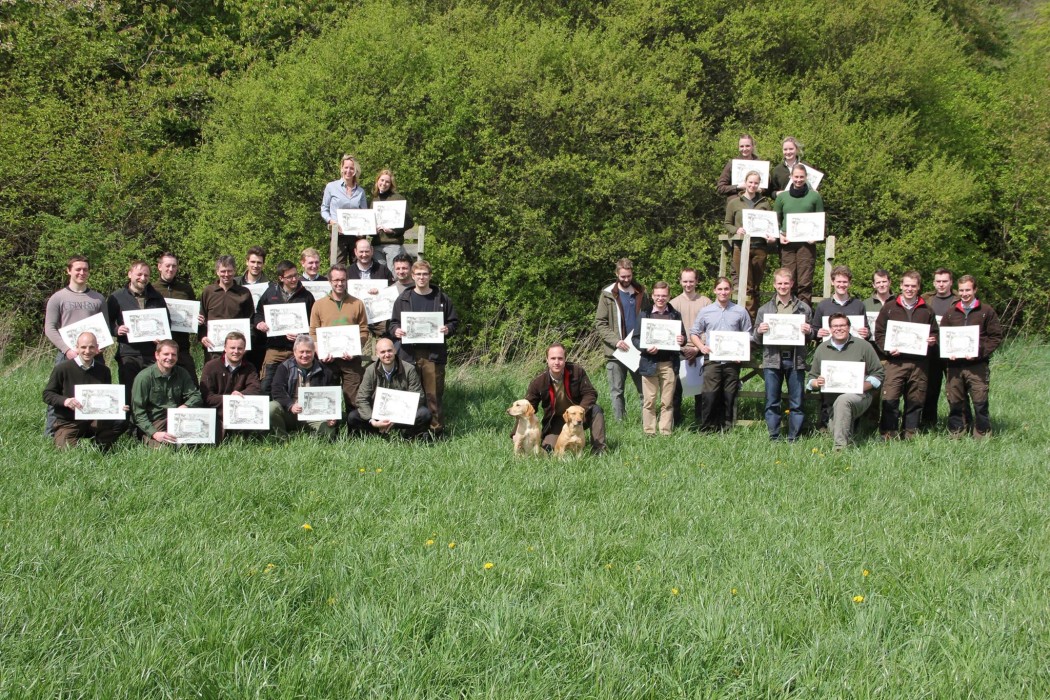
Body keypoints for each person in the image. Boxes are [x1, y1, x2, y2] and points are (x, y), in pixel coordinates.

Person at [388, 260, 459, 435]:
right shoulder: (404, 298)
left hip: (433, 354)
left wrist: (447, 328)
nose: (421, 277)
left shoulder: (441, 298)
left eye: (425, 274)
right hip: (409, 354)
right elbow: (393, 323)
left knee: (433, 395)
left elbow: (454, 322)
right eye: (418, 274)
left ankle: (435, 431)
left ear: (430, 276)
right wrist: (396, 330)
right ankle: (408, 431)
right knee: (408, 394)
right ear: (412, 276)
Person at [43, 255, 107, 435]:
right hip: (67, 355)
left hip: (95, 356)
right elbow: (50, 328)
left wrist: (101, 346)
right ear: (69, 271)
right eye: (77, 269)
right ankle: (51, 435)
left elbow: (106, 328)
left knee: (97, 397)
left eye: (85, 269)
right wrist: (67, 350)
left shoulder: (98, 299)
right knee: (59, 395)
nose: (82, 273)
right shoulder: (58, 298)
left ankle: (96, 435)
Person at [874, 270, 938, 440]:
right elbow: (879, 333)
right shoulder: (889, 308)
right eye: (906, 285)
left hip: (919, 363)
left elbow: (935, 333)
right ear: (901, 286)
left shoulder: (927, 310)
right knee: (891, 398)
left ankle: (910, 433)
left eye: (913, 286)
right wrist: (887, 350)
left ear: (918, 288)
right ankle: (888, 433)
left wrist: (933, 340)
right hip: (895, 362)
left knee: (915, 400)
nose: (909, 289)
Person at [806, 314, 885, 451]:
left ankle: (839, 449)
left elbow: (879, 373)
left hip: (859, 396)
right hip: (831, 401)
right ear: (830, 329)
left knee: (843, 400)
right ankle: (848, 435)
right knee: (836, 428)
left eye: (842, 325)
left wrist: (863, 386)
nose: (839, 329)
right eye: (835, 326)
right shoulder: (822, 349)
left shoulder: (863, 346)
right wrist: (816, 383)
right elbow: (810, 379)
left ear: (849, 327)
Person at [753, 268, 813, 441]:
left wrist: (809, 331)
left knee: (797, 402)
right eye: (779, 283)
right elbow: (756, 338)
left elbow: (812, 335)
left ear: (792, 284)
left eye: (786, 283)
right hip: (772, 359)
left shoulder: (804, 309)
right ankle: (774, 436)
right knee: (772, 401)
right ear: (774, 285)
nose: (783, 286)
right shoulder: (764, 309)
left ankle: (794, 437)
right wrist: (760, 330)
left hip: (796, 360)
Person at [940, 275, 1003, 439]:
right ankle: (957, 432)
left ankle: (982, 433)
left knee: (980, 400)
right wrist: (947, 352)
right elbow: (943, 337)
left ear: (975, 290)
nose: (964, 293)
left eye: (968, 290)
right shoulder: (950, 313)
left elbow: (995, 336)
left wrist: (979, 353)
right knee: (955, 400)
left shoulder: (986, 311)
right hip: (954, 364)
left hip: (977, 365)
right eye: (961, 290)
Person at [42, 332, 127, 450]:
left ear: (97, 348)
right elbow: (47, 394)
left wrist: (117, 408)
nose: (87, 351)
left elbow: (106, 397)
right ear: (76, 347)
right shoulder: (62, 368)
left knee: (120, 421)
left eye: (91, 347)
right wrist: (65, 401)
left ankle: (99, 446)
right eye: (83, 347)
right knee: (68, 455)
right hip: (69, 422)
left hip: (94, 420)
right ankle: (64, 437)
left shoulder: (104, 371)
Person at [690, 277, 753, 432]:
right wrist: (701, 347)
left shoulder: (740, 311)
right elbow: (694, 333)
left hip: (732, 361)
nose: (723, 292)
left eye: (726, 289)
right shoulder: (706, 311)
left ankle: (726, 428)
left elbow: (748, 335)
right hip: (713, 360)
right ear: (714, 291)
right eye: (720, 289)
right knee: (710, 395)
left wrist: (743, 353)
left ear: (731, 291)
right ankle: (707, 428)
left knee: (729, 395)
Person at [107, 260, 170, 404]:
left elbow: (166, 322)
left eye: (146, 275)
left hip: (151, 353)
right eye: (139, 274)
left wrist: (162, 337)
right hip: (128, 353)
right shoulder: (116, 297)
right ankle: (129, 425)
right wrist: (117, 329)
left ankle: (150, 425)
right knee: (129, 392)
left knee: (152, 392)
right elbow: (107, 323)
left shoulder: (157, 297)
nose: (143, 278)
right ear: (130, 274)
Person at [525, 342, 607, 454]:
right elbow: (528, 407)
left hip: (580, 416)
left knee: (596, 409)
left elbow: (590, 393)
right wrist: (515, 433)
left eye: (560, 358)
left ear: (565, 359)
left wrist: (580, 411)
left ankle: (599, 450)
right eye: (553, 358)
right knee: (549, 450)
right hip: (556, 420)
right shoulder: (539, 381)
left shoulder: (577, 371)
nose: (557, 362)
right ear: (547, 359)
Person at [595, 258, 648, 421]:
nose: (626, 280)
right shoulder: (607, 294)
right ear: (616, 274)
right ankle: (621, 424)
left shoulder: (641, 292)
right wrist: (616, 341)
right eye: (623, 276)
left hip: (638, 350)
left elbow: (648, 318)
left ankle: (647, 422)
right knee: (617, 391)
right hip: (616, 351)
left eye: (629, 276)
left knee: (644, 390)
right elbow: (600, 322)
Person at [309, 264, 369, 409]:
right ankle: (332, 429)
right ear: (330, 281)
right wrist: (320, 352)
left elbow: (364, 330)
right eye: (336, 280)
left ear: (347, 280)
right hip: (327, 360)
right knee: (328, 397)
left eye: (342, 280)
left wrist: (355, 349)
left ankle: (354, 429)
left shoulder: (357, 303)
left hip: (351, 360)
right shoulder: (319, 304)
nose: (339, 283)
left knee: (354, 399)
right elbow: (313, 332)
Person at [347, 338, 431, 438]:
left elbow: (419, 396)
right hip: (377, 415)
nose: (387, 355)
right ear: (377, 354)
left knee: (424, 414)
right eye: (382, 352)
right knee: (353, 417)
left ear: (395, 350)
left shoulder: (409, 369)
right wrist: (373, 421)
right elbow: (361, 399)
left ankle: (407, 435)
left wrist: (395, 419)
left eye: (389, 350)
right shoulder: (370, 370)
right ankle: (377, 433)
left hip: (402, 415)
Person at [253, 260, 316, 394]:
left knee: (299, 387)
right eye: (290, 277)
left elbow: (313, 323)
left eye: (296, 275)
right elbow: (258, 313)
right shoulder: (270, 293)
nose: (294, 279)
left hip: (299, 349)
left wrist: (301, 335)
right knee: (266, 386)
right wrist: (260, 323)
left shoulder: (307, 296)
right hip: (275, 348)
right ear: (281, 278)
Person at [632, 282, 685, 436]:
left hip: (669, 363)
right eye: (657, 296)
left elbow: (683, 337)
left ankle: (665, 431)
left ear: (669, 296)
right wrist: (645, 347)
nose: (660, 298)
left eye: (664, 296)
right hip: (649, 362)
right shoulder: (644, 314)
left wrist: (682, 339)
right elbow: (635, 339)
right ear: (653, 296)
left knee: (667, 401)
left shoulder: (675, 314)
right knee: (649, 401)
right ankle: (649, 431)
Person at [131, 339, 204, 447]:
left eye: (173, 354)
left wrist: (186, 406)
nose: (170, 358)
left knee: (196, 445)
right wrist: (154, 433)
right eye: (166, 354)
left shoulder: (182, 373)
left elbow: (196, 396)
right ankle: (146, 439)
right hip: (154, 423)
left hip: (177, 420)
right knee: (165, 450)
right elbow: (138, 412)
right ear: (157, 355)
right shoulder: (144, 378)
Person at [724, 169, 776, 318]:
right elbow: (727, 223)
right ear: (745, 183)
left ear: (759, 185)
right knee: (745, 285)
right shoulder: (734, 203)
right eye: (750, 182)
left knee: (755, 286)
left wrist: (771, 237)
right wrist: (736, 229)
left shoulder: (765, 203)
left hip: (760, 248)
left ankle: (755, 319)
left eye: (756, 183)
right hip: (741, 248)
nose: (752, 185)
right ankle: (747, 318)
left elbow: (770, 225)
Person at [268, 334, 340, 440]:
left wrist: (332, 416)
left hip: (314, 415)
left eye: (308, 351)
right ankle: (282, 438)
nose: (305, 355)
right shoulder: (284, 367)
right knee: (271, 408)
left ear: (314, 352)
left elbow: (332, 398)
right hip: (290, 412)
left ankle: (308, 438)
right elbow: (277, 390)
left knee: (329, 434)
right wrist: (290, 405)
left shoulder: (325, 371)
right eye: (301, 352)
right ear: (294, 352)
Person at [773, 163, 824, 305]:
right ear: (791, 177)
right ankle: (787, 309)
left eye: (802, 177)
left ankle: (804, 315)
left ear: (806, 177)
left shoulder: (814, 196)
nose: (799, 180)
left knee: (805, 282)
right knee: (787, 281)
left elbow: (821, 220)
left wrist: (816, 237)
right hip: (787, 244)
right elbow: (774, 220)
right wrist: (780, 235)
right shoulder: (782, 197)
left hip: (806, 245)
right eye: (796, 177)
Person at [199, 331, 262, 440]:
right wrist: (230, 399)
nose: (236, 351)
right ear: (225, 348)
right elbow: (207, 397)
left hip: (241, 411)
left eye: (240, 348)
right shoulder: (210, 366)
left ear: (245, 349)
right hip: (217, 412)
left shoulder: (250, 367)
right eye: (232, 348)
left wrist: (240, 394)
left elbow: (256, 388)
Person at [921, 268, 960, 431]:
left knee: (955, 389)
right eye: (938, 281)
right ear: (934, 283)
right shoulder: (925, 299)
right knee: (929, 390)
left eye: (944, 281)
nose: (941, 284)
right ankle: (928, 425)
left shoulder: (959, 300)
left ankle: (958, 425)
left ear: (951, 282)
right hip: (931, 352)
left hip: (953, 353)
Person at [669, 268, 710, 424]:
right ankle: (677, 422)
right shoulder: (673, 303)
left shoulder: (706, 302)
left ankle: (701, 422)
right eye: (685, 281)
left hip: (700, 350)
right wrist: (684, 348)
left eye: (691, 281)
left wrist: (697, 348)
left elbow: (709, 329)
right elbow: (670, 331)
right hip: (679, 352)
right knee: (676, 390)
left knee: (701, 392)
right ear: (680, 281)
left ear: (697, 281)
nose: (688, 284)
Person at [154, 252, 198, 382]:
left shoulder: (186, 289)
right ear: (159, 266)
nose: (171, 269)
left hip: (182, 346)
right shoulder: (151, 289)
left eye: (174, 266)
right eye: (167, 266)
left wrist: (198, 318)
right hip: (160, 347)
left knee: (191, 382)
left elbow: (194, 313)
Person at [199, 255, 256, 352]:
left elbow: (251, 321)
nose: (226, 274)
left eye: (229, 271)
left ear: (234, 271)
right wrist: (202, 337)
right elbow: (201, 319)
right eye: (223, 271)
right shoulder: (208, 291)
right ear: (217, 272)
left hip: (237, 350)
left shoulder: (244, 293)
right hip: (213, 348)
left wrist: (247, 344)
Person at [321, 153, 367, 265]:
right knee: (337, 266)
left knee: (358, 266)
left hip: (356, 235)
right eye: (346, 167)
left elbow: (365, 213)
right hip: (339, 234)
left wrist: (363, 230)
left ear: (355, 170)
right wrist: (331, 221)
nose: (348, 171)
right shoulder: (331, 187)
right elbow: (324, 209)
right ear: (341, 169)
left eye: (352, 168)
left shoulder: (361, 191)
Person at [812, 265, 870, 341]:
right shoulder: (823, 305)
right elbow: (814, 331)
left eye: (845, 282)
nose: (842, 285)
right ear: (832, 282)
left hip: (853, 349)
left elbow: (867, 331)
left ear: (849, 283)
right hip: (829, 350)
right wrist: (818, 333)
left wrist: (866, 333)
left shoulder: (859, 305)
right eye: (839, 282)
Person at [233, 248, 269, 369]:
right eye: (253, 262)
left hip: (260, 337)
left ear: (263, 264)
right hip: (238, 331)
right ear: (246, 262)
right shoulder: (234, 283)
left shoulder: (271, 285)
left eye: (259, 262)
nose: (255, 265)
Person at [372, 169, 414, 266]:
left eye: (387, 182)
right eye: (382, 180)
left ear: (391, 184)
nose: (384, 183)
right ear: (377, 181)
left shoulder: (398, 198)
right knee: (379, 277)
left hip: (393, 244)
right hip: (376, 244)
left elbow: (409, 222)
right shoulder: (374, 199)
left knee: (394, 275)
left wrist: (394, 231)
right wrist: (373, 230)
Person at [716, 133, 761, 198]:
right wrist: (737, 187)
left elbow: (767, 189)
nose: (744, 149)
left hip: (755, 202)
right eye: (742, 146)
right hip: (736, 202)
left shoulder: (760, 165)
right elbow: (720, 188)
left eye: (747, 146)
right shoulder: (732, 164)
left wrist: (761, 190)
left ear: (752, 146)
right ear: (738, 147)